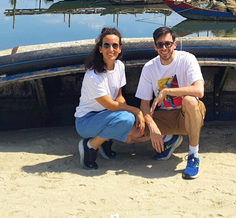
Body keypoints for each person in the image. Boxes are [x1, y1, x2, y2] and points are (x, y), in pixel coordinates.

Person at [136, 26, 206, 180]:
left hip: (187, 115)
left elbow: (199, 91)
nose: (164, 48)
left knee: (190, 100)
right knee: (132, 134)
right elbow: (144, 105)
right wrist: (153, 128)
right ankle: (169, 139)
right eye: (160, 44)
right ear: (155, 46)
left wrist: (167, 91)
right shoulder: (149, 68)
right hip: (165, 116)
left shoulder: (187, 59)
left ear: (175, 44)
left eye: (168, 43)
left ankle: (193, 155)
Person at [75, 27, 145, 170]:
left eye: (115, 45)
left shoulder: (119, 66)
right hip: (86, 121)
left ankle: (104, 141)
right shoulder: (93, 76)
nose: (111, 49)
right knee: (126, 119)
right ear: (100, 48)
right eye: (106, 45)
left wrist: (133, 120)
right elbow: (111, 106)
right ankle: (90, 146)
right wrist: (136, 111)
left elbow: (118, 97)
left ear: (120, 49)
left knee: (131, 126)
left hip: (106, 116)